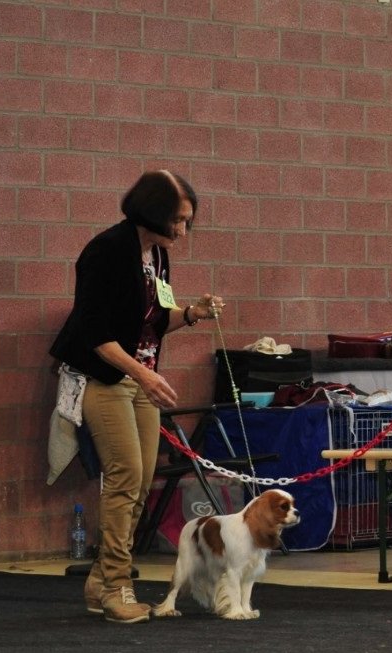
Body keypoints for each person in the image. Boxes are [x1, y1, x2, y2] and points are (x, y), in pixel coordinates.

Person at [50, 170, 225, 624]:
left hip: (140, 375)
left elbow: (150, 320)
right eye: (180, 220)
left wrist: (190, 314)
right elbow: (94, 333)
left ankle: (98, 582)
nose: (184, 231)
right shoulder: (107, 250)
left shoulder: (156, 255)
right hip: (104, 376)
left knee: (143, 479)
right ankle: (117, 584)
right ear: (154, 212)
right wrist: (141, 376)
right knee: (125, 476)